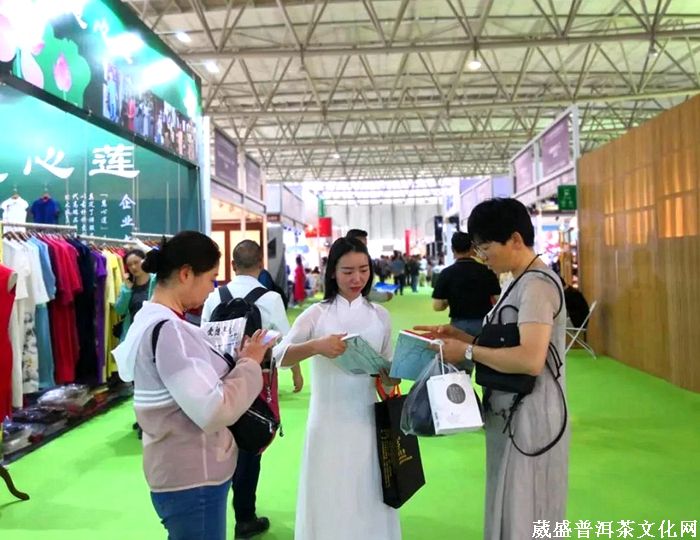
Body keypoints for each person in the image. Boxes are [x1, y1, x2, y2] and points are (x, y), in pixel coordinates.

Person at [415, 198, 568, 540]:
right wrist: (459, 336)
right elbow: (505, 342)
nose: (483, 257)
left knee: (527, 506)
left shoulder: (537, 286)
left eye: (486, 248)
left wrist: (467, 350)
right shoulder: (517, 280)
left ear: (515, 239)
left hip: (532, 415)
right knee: (509, 501)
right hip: (509, 409)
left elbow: (529, 359)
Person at [112, 231, 272, 540]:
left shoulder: (153, 320)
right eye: (211, 278)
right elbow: (213, 410)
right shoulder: (170, 331)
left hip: (177, 470)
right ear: (186, 274)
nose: (213, 288)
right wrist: (250, 363)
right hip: (193, 475)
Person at [273, 237, 401, 540]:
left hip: (368, 418)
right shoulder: (317, 314)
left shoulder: (380, 315)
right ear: (332, 272)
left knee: (368, 486)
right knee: (328, 487)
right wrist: (315, 346)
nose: (357, 278)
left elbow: (387, 373)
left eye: (363, 270)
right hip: (327, 420)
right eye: (347, 271)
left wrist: (392, 375)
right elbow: (278, 356)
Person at [201, 239, 303, 539]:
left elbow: (203, 337)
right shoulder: (269, 298)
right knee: (250, 444)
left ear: (232, 265)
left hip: (218, 379)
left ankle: (215, 513)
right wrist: (296, 371)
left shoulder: (214, 296)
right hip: (256, 380)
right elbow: (283, 345)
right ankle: (245, 516)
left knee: (218, 444)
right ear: (261, 265)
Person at [432, 231, 501, 342]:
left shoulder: (446, 273)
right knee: (483, 351)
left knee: (459, 351)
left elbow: (437, 306)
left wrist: (449, 301)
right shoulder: (486, 271)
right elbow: (498, 299)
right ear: (472, 248)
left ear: (452, 249)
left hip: (458, 325)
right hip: (484, 323)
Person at [114, 249, 156, 341]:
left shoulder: (156, 282)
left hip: (151, 334)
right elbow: (120, 310)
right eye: (129, 265)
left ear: (144, 261)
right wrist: (127, 290)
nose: (133, 267)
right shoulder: (127, 285)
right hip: (131, 336)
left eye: (136, 262)